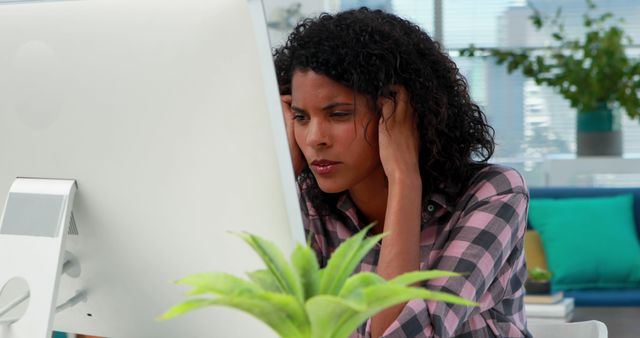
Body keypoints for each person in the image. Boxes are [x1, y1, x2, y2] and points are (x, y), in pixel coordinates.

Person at [274, 7, 530, 338]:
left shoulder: (492, 194)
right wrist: (280, 173)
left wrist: (404, 177)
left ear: (399, 114)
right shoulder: (309, 205)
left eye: (338, 114)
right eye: (301, 117)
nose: (314, 139)